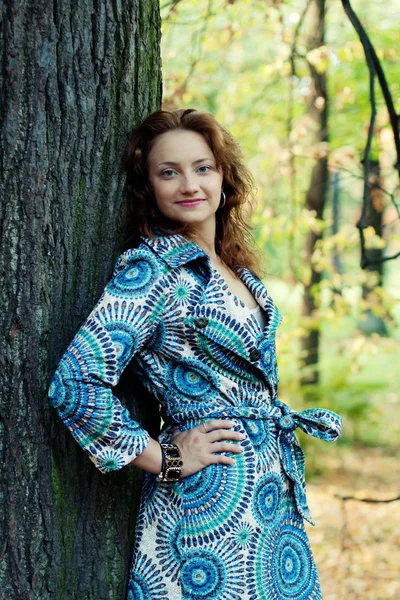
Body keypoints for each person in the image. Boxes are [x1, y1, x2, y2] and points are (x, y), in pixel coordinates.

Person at [48, 108, 342, 599]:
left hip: (269, 498)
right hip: (207, 508)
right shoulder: (154, 270)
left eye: (202, 167)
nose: (189, 184)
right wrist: (165, 458)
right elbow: (76, 382)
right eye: (169, 172)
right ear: (150, 188)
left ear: (224, 177)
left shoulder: (233, 268)